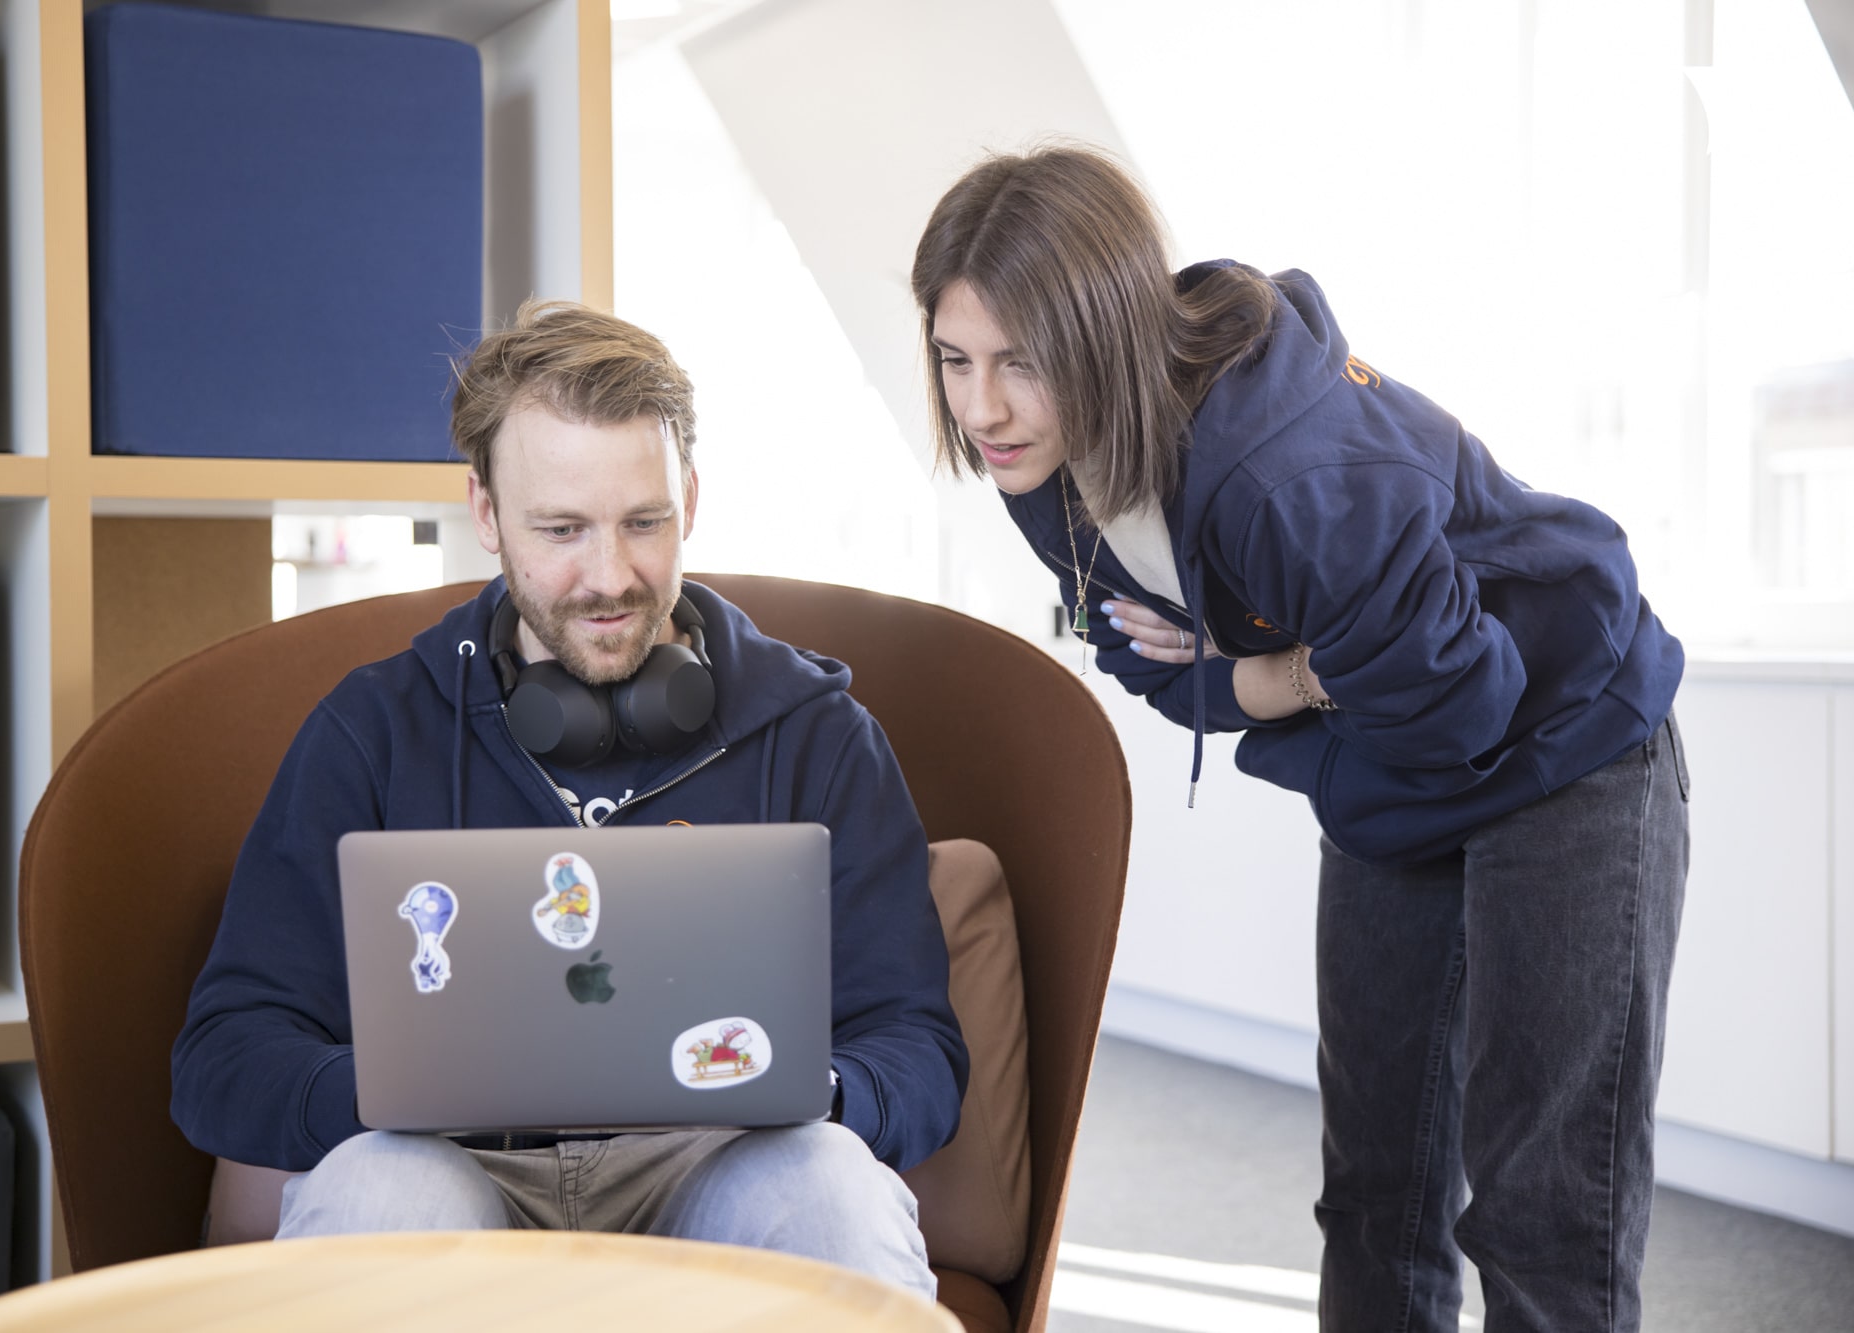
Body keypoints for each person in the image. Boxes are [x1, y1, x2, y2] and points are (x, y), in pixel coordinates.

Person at [912, 145, 1688, 1333]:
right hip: (1394, 762)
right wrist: (1304, 667)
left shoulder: (1285, 473)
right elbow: (1155, 674)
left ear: (1106, 333)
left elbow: (1457, 701)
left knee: (1539, 1211)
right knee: (1376, 1190)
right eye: (954, 359)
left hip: (1566, 739)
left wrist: (1265, 673)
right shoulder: (1039, 469)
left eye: (1020, 361)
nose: (980, 409)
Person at [171, 300, 966, 1297]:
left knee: (835, 1189)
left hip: (716, 1161)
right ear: (487, 516)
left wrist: (824, 1092)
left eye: (644, 523)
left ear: (689, 498)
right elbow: (223, 1057)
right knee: (378, 1189)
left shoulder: (817, 735)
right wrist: (395, 1096)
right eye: (560, 529)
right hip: (453, 1163)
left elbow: (919, 1045)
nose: (610, 576)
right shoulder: (370, 732)